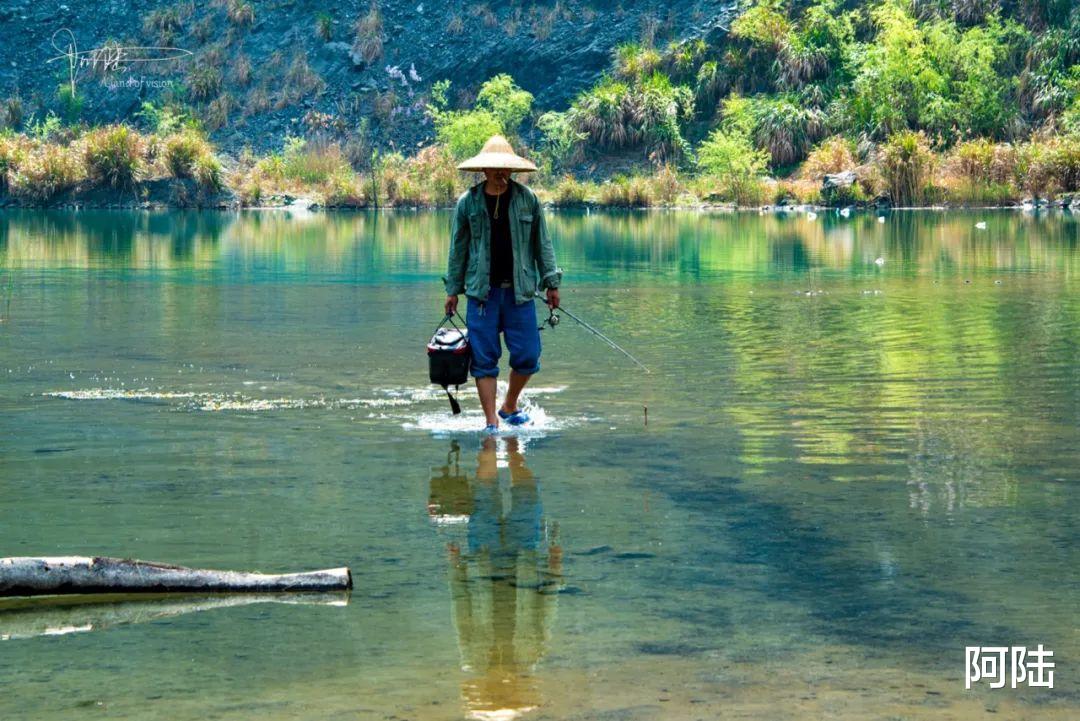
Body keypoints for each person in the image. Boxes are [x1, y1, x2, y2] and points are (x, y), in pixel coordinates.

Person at [444, 135, 562, 434]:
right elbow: (458, 249)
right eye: (494, 168)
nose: (500, 174)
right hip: (482, 295)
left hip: (519, 292)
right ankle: (491, 423)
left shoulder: (528, 200)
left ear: (511, 170)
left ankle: (508, 406)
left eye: (505, 169)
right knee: (483, 359)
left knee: (528, 356)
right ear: (483, 171)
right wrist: (452, 291)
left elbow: (542, 244)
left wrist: (551, 283)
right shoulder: (467, 203)